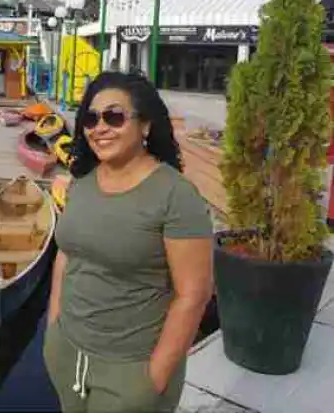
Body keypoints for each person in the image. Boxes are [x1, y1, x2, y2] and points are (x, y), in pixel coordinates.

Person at [44, 70, 213, 413]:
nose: (100, 127)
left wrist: (154, 378)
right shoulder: (82, 183)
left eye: (114, 116)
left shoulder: (175, 195)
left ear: (145, 126)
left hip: (131, 372)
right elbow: (67, 255)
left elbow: (194, 295)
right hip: (67, 354)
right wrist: (53, 329)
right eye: (91, 118)